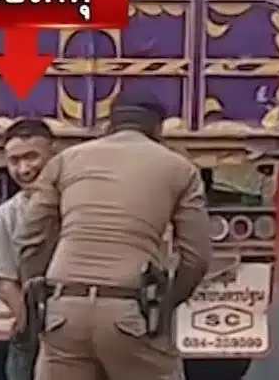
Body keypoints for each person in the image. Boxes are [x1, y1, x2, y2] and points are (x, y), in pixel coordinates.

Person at [14, 94, 212, 380]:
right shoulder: (180, 169)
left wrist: (38, 293)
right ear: (158, 128)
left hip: (65, 309)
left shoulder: (65, 161)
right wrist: (165, 305)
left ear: (110, 123)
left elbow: (30, 237)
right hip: (130, 308)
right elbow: (197, 258)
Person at [0, 117, 56, 380]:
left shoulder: (80, 206)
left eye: (32, 157)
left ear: (53, 155)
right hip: (37, 323)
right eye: (14, 160)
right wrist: (32, 327)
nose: (24, 169)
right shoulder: (3, 217)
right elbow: (5, 284)